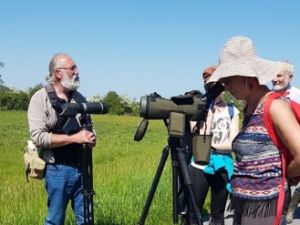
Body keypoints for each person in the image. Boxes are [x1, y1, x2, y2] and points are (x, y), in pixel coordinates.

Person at [208, 36, 300, 225]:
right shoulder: (250, 107)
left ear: (246, 77)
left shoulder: (275, 106)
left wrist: (284, 175)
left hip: (264, 208)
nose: (226, 87)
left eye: (228, 81)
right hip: (243, 202)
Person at [27, 53, 96, 225]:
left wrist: (91, 137)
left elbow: (89, 126)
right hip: (57, 169)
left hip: (82, 167)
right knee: (55, 220)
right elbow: (38, 137)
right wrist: (75, 138)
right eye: (72, 68)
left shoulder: (79, 98)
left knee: (86, 219)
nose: (77, 72)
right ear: (58, 73)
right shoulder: (40, 98)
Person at [185, 65, 240, 225]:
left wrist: (213, 146)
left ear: (223, 86)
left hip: (223, 166)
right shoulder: (197, 108)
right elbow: (200, 137)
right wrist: (207, 108)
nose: (213, 89)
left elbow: (234, 143)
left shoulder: (233, 111)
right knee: (193, 213)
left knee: (218, 215)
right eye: (208, 85)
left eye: (216, 85)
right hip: (200, 164)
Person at [273, 61, 300, 223]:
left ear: (290, 77)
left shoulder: (298, 96)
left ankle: (292, 204)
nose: (275, 79)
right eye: (273, 75)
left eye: (279, 75)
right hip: (276, 151)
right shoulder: (268, 96)